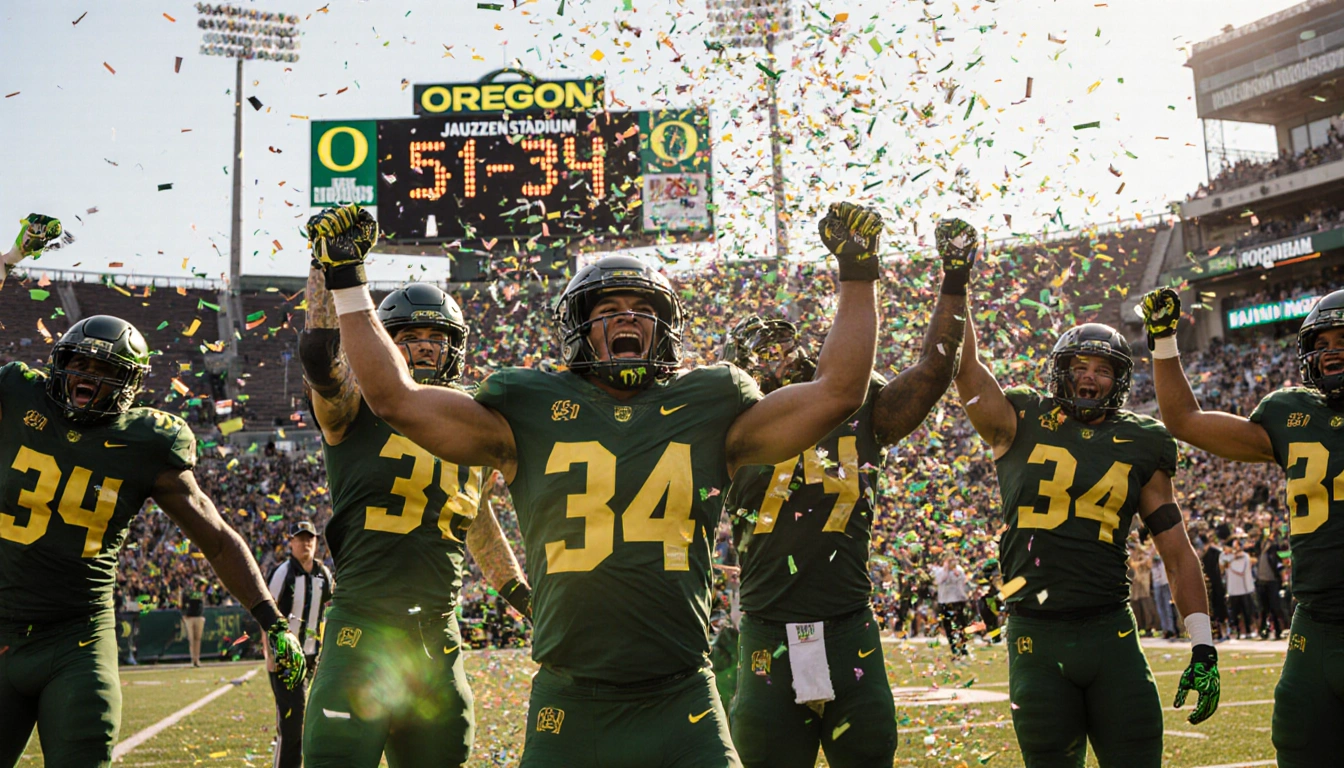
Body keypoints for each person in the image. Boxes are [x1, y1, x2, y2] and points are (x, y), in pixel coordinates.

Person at [307, 201, 880, 768]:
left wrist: (857, 272)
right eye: (608, 307)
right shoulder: (525, 403)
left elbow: (838, 394)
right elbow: (395, 398)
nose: (626, 317)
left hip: (683, 698)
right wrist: (347, 281)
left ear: (666, 327)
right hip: (569, 702)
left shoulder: (712, 399)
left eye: (641, 308)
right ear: (580, 326)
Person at [720, 216, 975, 768]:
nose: (776, 360)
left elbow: (933, 373)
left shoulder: (854, 403)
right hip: (767, 630)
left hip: (848, 624)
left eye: (782, 347)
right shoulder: (727, 422)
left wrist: (955, 279)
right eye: (761, 353)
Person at [0, 311, 306, 768]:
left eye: (106, 371)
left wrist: (271, 619)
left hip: (77, 637)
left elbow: (217, 538)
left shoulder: (144, 444)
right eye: (80, 363)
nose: (87, 377)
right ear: (58, 362)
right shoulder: (16, 396)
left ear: (130, 386)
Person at [953, 316, 1220, 767]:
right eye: (1080, 366)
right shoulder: (1020, 417)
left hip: (1109, 632)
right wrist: (956, 281)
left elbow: (1176, 553)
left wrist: (1203, 644)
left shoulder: (1143, 440)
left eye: (1102, 369)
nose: (1090, 378)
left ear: (1119, 381)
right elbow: (966, 369)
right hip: (1035, 635)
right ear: (1060, 370)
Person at [298, 272, 529, 768]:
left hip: (437, 640)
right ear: (382, 345)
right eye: (408, 338)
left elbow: (478, 516)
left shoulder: (472, 420)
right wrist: (329, 274)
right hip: (363, 630)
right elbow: (321, 359)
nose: (425, 348)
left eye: (436, 338)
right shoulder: (353, 407)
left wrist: (520, 594)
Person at [1141, 286, 1344, 766]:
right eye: (1323, 342)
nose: (1332, 352)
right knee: (1297, 746)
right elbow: (1183, 419)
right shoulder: (1291, 415)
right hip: (1314, 624)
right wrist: (1164, 339)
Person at [264, 521, 334, 768]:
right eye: (300, 538)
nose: (306, 543)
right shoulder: (282, 572)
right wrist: (269, 654)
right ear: (290, 542)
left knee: (310, 723)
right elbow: (267, 613)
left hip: (314, 658)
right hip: (285, 659)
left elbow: (329, 609)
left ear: (316, 541)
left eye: (310, 539)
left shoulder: (323, 574)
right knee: (292, 725)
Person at [932, 554, 973, 657]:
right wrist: (946, 569)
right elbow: (939, 580)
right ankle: (953, 646)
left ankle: (962, 647)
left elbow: (961, 585)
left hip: (958, 601)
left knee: (961, 625)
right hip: (945, 602)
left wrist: (965, 598)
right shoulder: (939, 571)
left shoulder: (959, 570)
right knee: (948, 626)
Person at [1221, 537, 1256, 640]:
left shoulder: (1245, 556)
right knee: (1234, 613)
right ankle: (1236, 631)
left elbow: (1246, 566)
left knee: (1247, 611)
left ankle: (1249, 630)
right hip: (1232, 589)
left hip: (1245, 589)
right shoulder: (1225, 557)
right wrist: (1233, 557)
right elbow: (1222, 565)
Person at [182, 576, 207, 667]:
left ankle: (197, 659)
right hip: (190, 617)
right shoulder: (189, 592)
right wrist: (184, 614)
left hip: (199, 616)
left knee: (197, 639)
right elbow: (184, 602)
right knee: (191, 639)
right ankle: (193, 659)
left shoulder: (201, 593)